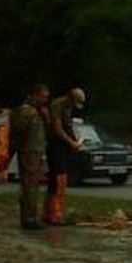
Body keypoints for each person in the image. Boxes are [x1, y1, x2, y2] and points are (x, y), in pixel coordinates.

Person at [10, 84, 50, 231]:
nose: (45, 100)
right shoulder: (26, 110)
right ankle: (28, 218)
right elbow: (18, 129)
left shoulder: (39, 112)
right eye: (43, 96)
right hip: (29, 151)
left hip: (37, 151)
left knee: (34, 185)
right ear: (35, 95)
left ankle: (32, 215)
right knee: (29, 185)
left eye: (46, 97)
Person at [44, 87, 85, 225]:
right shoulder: (57, 105)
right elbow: (57, 128)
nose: (73, 106)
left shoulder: (68, 107)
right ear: (69, 97)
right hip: (55, 144)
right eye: (73, 103)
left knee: (62, 179)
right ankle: (53, 215)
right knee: (57, 179)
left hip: (63, 146)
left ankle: (57, 212)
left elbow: (67, 126)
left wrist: (75, 140)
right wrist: (71, 143)